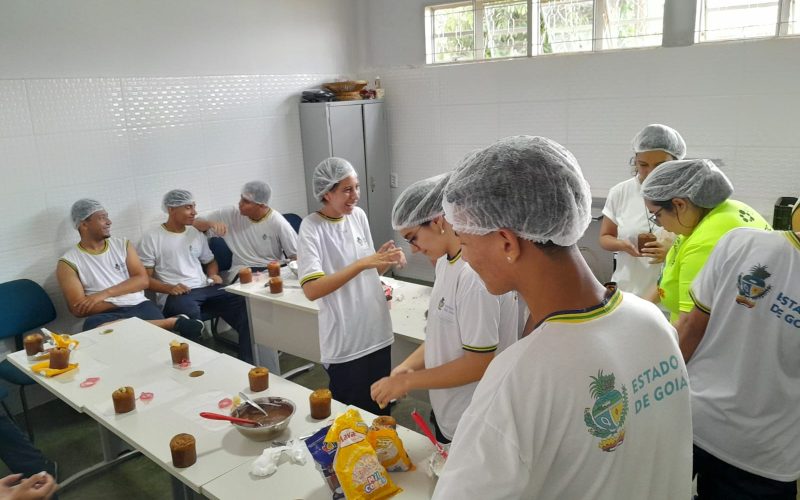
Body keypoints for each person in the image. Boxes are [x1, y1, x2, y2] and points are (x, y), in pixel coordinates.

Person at [431, 136, 692, 499]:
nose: (466, 257)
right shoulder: (652, 322)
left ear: (507, 242)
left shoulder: (519, 377)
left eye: (464, 239)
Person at [370, 173, 519, 443]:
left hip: (476, 420)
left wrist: (408, 382)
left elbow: (479, 364)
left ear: (438, 221)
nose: (413, 249)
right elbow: (443, 337)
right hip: (450, 412)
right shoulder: (444, 263)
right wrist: (407, 366)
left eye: (413, 237)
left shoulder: (473, 277)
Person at [679, 227, 800, 499]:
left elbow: (690, 329)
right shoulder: (742, 241)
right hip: (766, 450)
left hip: (692, 418)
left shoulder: (744, 241)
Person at [297, 158, 405, 416]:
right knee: (353, 421)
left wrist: (383, 261)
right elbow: (312, 289)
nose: (355, 195)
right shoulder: (312, 227)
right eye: (347, 189)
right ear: (326, 193)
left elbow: (367, 273)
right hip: (347, 342)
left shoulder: (358, 216)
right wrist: (361, 263)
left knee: (381, 414)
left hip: (376, 333)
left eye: (356, 187)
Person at [641, 159, 770, 324]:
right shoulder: (725, 209)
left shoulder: (705, 242)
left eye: (657, 215)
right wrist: (638, 309)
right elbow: (670, 274)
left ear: (679, 204)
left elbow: (691, 325)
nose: (661, 225)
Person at [56, 199, 204, 336]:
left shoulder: (122, 245)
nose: (109, 222)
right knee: (95, 328)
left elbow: (142, 280)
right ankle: (169, 323)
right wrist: (121, 297)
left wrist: (103, 295)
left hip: (139, 305)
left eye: (107, 217)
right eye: (102, 218)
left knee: (117, 331)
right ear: (84, 224)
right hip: (104, 314)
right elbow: (79, 308)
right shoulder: (68, 262)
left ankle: (154, 324)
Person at [138, 190, 253, 363]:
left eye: (194, 206)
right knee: (191, 321)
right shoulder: (152, 237)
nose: (194, 212)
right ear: (171, 209)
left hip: (206, 288)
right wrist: (169, 288)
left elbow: (210, 261)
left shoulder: (194, 233)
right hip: (177, 294)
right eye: (188, 207)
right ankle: (197, 367)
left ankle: (249, 362)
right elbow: (145, 280)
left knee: (244, 305)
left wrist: (213, 274)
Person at [599, 124, 684, 296]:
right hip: (627, 292)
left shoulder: (685, 195)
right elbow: (605, 237)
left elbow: (699, 246)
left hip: (668, 296)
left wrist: (672, 253)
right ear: (635, 161)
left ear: (675, 162)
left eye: (660, 165)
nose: (651, 172)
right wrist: (623, 245)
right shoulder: (620, 192)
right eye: (643, 164)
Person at [193, 181, 298, 282]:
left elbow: (296, 256)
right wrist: (210, 224)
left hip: (272, 268)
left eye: (246, 201)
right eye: (241, 198)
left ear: (262, 205)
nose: (240, 203)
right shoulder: (231, 213)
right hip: (242, 269)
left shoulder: (278, 222)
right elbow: (194, 223)